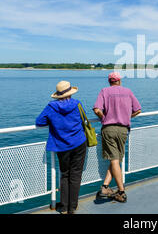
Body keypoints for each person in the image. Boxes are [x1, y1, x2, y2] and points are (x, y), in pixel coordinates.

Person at [36, 81, 87, 214]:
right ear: (70, 92)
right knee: (76, 175)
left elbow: (39, 121)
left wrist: (53, 121)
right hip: (79, 143)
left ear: (58, 95)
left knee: (64, 175)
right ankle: (72, 207)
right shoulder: (77, 104)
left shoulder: (51, 107)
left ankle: (64, 207)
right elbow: (84, 120)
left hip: (62, 145)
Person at [93, 72, 141, 203]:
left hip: (109, 129)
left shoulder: (105, 91)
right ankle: (106, 186)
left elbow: (97, 109)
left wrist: (105, 118)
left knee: (115, 160)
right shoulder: (128, 91)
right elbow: (138, 110)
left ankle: (121, 192)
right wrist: (126, 117)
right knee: (116, 159)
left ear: (109, 81)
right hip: (123, 129)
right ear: (119, 81)